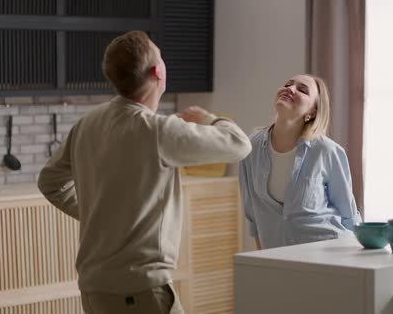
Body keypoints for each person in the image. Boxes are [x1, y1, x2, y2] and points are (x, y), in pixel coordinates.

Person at [37, 31, 251, 314]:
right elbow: (239, 144)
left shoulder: (88, 123)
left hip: (94, 289)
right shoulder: (158, 130)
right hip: (140, 288)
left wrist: (95, 212)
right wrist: (209, 119)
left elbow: (49, 181)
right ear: (158, 71)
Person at [239, 74, 362, 250]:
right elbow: (253, 217)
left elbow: (349, 215)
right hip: (279, 261)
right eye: (288, 84)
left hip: (329, 256)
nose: (290, 89)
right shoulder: (250, 148)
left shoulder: (326, 150)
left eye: (302, 90)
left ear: (312, 112)